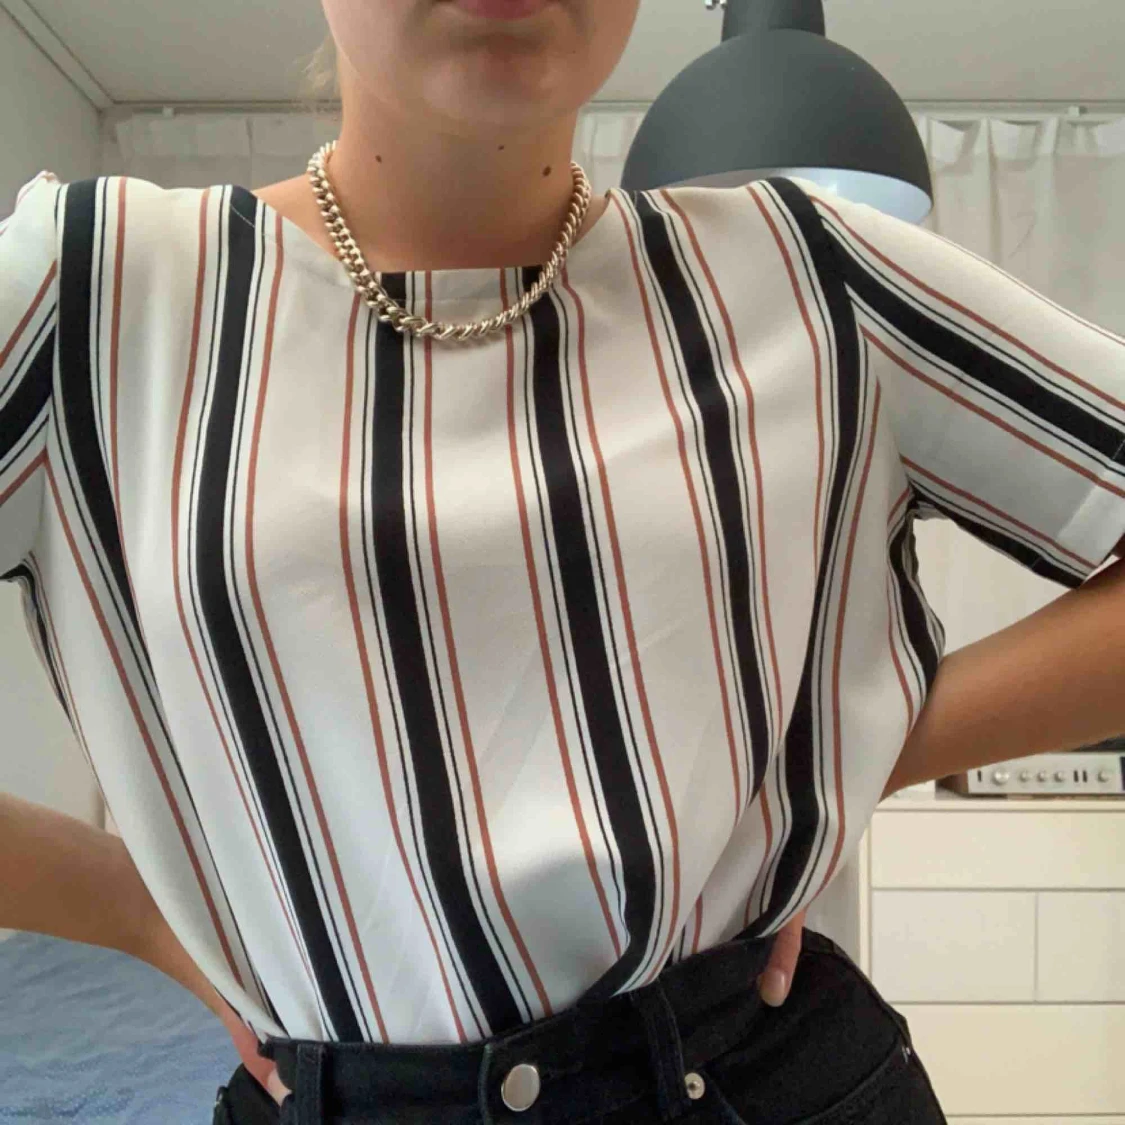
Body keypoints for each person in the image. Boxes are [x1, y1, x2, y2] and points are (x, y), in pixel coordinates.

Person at [2, 0, 1124, 1121]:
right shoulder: (93, 289)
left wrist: (831, 765)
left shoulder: (810, 274)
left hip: (761, 1076)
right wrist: (130, 903)